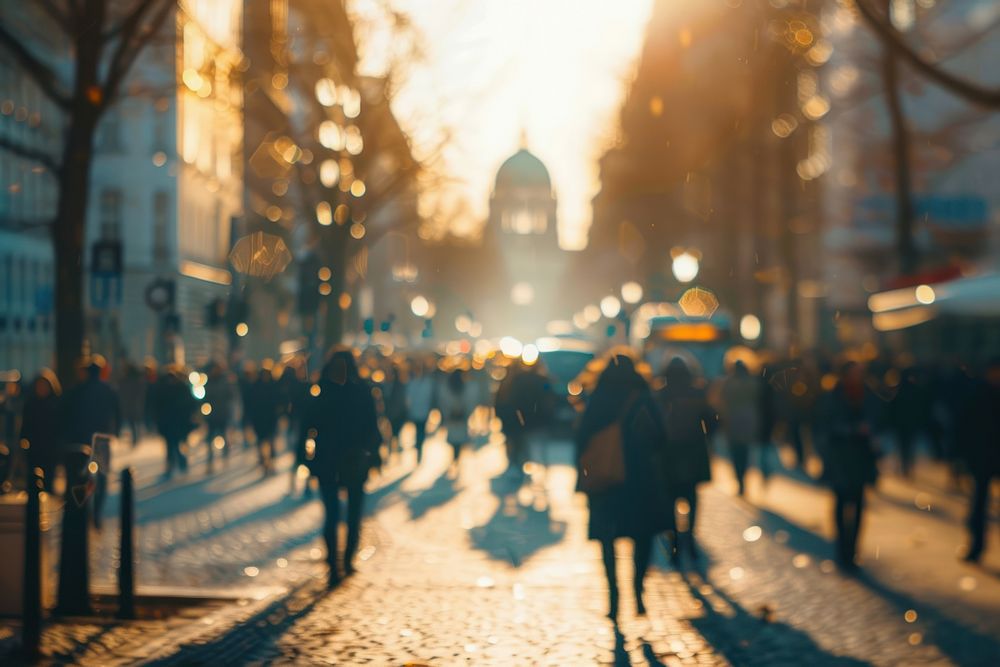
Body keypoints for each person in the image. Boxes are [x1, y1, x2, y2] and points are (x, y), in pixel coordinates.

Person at [576, 354, 671, 619]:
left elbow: (581, 439)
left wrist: (584, 477)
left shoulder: (598, 398)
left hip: (605, 482)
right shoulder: (642, 398)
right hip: (640, 480)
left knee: (608, 541)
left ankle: (613, 597)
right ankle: (638, 590)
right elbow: (661, 438)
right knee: (642, 538)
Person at [304, 347, 382, 588]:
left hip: (329, 459)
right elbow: (373, 428)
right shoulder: (362, 391)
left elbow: (308, 427)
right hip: (354, 459)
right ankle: (346, 560)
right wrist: (374, 454)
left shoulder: (322, 392)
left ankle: (334, 564)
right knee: (352, 513)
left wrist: (306, 458)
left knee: (332, 514)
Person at [655, 357, 716, 564]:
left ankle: (674, 541)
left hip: (669, 454)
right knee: (691, 498)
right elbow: (712, 420)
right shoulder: (697, 393)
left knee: (670, 499)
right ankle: (689, 538)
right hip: (693, 452)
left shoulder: (661, 394)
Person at [819, 361, 879, 572]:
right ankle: (842, 549)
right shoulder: (833, 395)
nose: (857, 377)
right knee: (841, 503)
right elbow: (826, 425)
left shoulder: (868, 394)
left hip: (861, 459)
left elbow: (878, 419)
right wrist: (852, 430)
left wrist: (871, 432)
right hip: (840, 459)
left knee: (859, 504)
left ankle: (853, 550)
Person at [62, 356, 120, 527]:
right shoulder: (108, 390)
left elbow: (69, 414)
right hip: (102, 439)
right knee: (101, 477)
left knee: (83, 476)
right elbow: (117, 412)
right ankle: (97, 513)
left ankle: (84, 511)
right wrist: (114, 431)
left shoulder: (78, 390)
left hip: (82, 439)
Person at [958, 358, 1000, 563]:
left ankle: (976, 546)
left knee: (979, 502)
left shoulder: (978, 392)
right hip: (983, 457)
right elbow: (966, 426)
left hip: (986, 456)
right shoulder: (977, 394)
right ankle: (976, 545)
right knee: (979, 503)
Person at [720, 360, 761, 496]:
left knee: (735, 453)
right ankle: (743, 478)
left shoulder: (729, 383)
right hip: (748, 422)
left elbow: (721, 400)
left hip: (732, 422)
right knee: (745, 453)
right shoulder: (752, 383)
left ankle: (739, 479)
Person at [20, 369, 62, 492]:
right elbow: (25, 425)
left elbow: (60, 426)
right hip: (34, 447)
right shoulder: (30, 404)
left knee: (49, 478)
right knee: (33, 478)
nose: (41, 388)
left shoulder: (56, 404)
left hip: (51, 448)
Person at [154, 365, 199, 478]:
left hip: (177, 422)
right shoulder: (174, 388)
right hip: (171, 422)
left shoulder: (177, 388)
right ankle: (175, 463)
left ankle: (175, 463)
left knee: (174, 444)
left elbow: (191, 404)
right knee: (172, 445)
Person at [438, 368, 476, 476]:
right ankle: (456, 459)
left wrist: (446, 414)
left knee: (454, 441)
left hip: (452, 419)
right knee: (458, 441)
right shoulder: (465, 386)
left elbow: (443, 401)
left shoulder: (448, 386)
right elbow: (469, 402)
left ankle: (454, 459)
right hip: (461, 419)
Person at [248, 363, 283, 473]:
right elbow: (251, 403)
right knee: (261, 441)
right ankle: (263, 461)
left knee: (270, 440)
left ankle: (271, 461)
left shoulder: (273, 385)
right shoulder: (256, 386)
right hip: (259, 418)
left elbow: (279, 400)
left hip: (270, 418)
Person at [203, 361, 235, 469]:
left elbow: (231, 395)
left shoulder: (225, 381)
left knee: (224, 435)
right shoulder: (209, 381)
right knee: (210, 438)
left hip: (222, 413)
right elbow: (205, 397)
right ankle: (210, 461)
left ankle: (225, 456)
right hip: (212, 414)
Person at [405, 358, 437, 463]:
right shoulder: (417, 383)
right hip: (419, 411)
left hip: (421, 412)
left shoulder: (422, 383)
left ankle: (419, 447)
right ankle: (419, 447)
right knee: (420, 431)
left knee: (420, 431)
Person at [118, 360, 147, 446]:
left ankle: (136, 437)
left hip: (131, 403)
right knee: (134, 422)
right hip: (135, 403)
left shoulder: (127, 379)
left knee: (133, 422)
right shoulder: (137, 379)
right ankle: (136, 437)